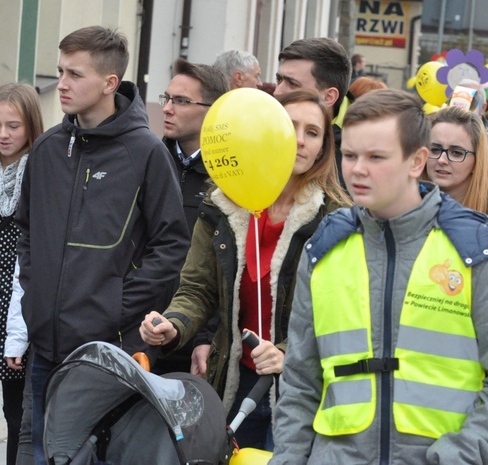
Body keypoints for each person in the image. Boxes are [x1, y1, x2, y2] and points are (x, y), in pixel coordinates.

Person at [270, 89, 488, 463]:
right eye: (349, 155)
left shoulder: (476, 252)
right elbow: (300, 384)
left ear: (417, 161)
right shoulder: (325, 250)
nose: (357, 169)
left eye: (376, 157)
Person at [15, 26, 191, 464]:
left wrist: (115, 304)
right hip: (45, 347)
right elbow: (27, 229)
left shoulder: (147, 153)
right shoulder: (48, 149)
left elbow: (171, 245)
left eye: (75, 74)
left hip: (107, 352)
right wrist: (36, 297)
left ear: (110, 83)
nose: (63, 84)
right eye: (60, 71)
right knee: (42, 454)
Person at [140, 89, 351, 450]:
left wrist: (286, 351)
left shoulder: (336, 218)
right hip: (235, 384)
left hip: (302, 391)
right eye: (289, 127)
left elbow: (340, 311)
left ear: (324, 147)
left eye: (313, 133)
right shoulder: (223, 204)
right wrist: (172, 325)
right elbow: (197, 288)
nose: (299, 141)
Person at [157, 58, 229, 374]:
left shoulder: (229, 177)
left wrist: (206, 334)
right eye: (167, 98)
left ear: (213, 110)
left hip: (195, 342)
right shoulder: (148, 165)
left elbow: (224, 266)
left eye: (181, 101)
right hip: (143, 328)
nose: (167, 109)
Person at [0, 83, 43, 465]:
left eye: (13, 126)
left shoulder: (40, 173)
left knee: (17, 413)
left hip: (17, 308)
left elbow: (31, 260)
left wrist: (19, 332)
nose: (3, 134)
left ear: (31, 126)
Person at [424, 106, 488, 241]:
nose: (442, 160)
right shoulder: (405, 211)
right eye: (435, 149)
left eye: (456, 153)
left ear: (477, 160)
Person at [273, 38, 352, 181]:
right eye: (279, 80)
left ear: (328, 97)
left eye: (292, 84)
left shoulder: (354, 156)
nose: (277, 92)